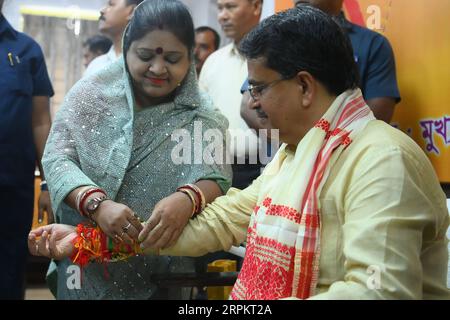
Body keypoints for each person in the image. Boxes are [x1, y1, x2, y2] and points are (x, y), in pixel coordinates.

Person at [30, 6, 450, 300]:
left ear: (304, 86)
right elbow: (224, 218)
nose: (252, 104)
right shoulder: (296, 154)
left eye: (260, 88)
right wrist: (90, 239)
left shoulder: (380, 160)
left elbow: (377, 292)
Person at [33, 0, 231, 300]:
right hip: (85, 258)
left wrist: (187, 199)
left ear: (190, 58)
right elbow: (58, 156)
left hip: (165, 266)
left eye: (173, 58)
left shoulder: (202, 115)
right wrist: (96, 205)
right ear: (127, 49)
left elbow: (216, 175)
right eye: (145, 55)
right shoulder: (91, 95)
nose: (157, 68)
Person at [0, 0, 54, 299]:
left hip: (11, 188)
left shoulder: (25, 50)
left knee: (9, 269)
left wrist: (48, 182)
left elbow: (41, 121)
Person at [292, 0, 401, 123]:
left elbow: (376, 120)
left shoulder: (372, 44)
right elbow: (265, 117)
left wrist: (319, 137)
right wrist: (276, 141)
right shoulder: (273, 40)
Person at [199, 0, 264, 190]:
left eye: (230, 7)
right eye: (219, 8)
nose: (222, 16)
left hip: (261, 168)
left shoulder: (277, 57)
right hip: (212, 171)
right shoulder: (213, 61)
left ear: (256, 7)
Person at [84, 0, 144, 77]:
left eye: (111, 4)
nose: (102, 11)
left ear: (132, 11)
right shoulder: (95, 66)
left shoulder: (144, 64)